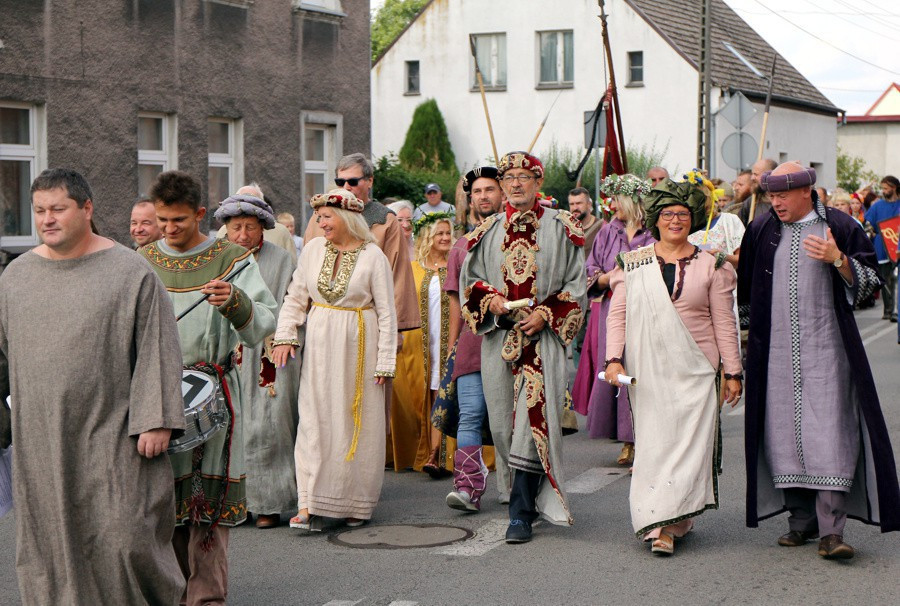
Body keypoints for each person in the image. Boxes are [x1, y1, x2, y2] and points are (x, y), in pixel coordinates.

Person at [0, 168, 185, 603]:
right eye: (40, 210)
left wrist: (156, 419)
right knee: (50, 544)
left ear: (86, 209)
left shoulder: (129, 271)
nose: (47, 219)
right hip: (41, 438)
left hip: (112, 432)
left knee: (124, 536)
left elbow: (159, 345)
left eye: (58, 209)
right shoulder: (16, 276)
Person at [738, 162, 900, 559]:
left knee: (830, 437)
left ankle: (832, 531)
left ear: (806, 193)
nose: (775, 203)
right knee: (783, 436)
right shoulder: (760, 230)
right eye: (771, 196)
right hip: (774, 355)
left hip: (827, 352)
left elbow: (869, 285)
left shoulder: (841, 227)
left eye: (782, 195)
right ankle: (801, 521)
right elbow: (746, 292)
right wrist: (740, 351)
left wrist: (838, 259)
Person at [141, 171, 277, 604]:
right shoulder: (142, 260)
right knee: (163, 510)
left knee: (207, 511)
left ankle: (206, 599)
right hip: (155, 396)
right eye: (162, 220)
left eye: (178, 220)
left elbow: (265, 321)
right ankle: (173, 594)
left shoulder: (231, 257)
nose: (168, 229)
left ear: (200, 214)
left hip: (212, 393)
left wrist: (236, 301)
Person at [605, 176, 743, 556]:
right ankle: (658, 520)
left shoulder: (712, 265)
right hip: (648, 370)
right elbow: (617, 315)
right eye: (668, 214)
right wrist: (613, 358)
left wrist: (733, 372)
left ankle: (671, 521)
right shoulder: (632, 264)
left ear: (693, 219)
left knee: (687, 448)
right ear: (656, 219)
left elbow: (724, 322)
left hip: (698, 370)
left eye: (683, 214)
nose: (676, 220)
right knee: (655, 445)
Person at [461, 151, 585, 543]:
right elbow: (471, 282)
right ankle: (519, 495)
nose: (515, 184)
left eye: (522, 177)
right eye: (508, 177)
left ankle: (520, 513)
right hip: (500, 340)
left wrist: (546, 314)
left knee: (533, 423)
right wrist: (492, 302)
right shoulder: (487, 231)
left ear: (537, 182)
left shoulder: (562, 228)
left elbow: (576, 285)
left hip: (542, 340)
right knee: (502, 421)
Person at [273, 189, 397, 530]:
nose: (320, 222)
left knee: (355, 422)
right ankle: (310, 502)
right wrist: (286, 334)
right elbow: (296, 298)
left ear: (348, 218)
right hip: (320, 345)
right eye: (319, 217)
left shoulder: (373, 256)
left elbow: (387, 313)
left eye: (327, 216)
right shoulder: (312, 251)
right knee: (314, 420)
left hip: (360, 346)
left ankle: (355, 502)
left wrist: (385, 360)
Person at [216, 194, 300, 529]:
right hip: (230, 353)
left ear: (262, 228)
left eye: (250, 227)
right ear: (225, 229)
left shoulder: (281, 260)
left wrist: (283, 338)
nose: (242, 234)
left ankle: (269, 503)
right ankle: (237, 504)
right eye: (236, 227)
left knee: (269, 425)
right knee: (232, 428)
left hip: (268, 352)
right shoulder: (218, 258)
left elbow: (290, 303)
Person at [572, 174, 654, 465]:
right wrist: (606, 278)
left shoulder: (653, 230)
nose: (611, 205)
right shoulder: (608, 231)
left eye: (616, 199)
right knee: (617, 370)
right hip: (612, 311)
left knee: (645, 373)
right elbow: (590, 267)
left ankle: (645, 439)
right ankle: (627, 441)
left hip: (647, 311)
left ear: (631, 201)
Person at [443, 166, 506, 511]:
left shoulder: (519, 240)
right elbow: (455, 303)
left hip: (512, 341)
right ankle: (467, 487)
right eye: (477, 191)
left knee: (511, 419)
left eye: (490, 190)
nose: (483, 196)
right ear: (470, 200)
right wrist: (452, 347)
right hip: (471, 344)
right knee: (470, 414)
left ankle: (518, 489)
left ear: (503, 194)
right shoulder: (460, 246)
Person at [304, 153, 419, 333]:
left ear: (369, 181)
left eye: (353, 181)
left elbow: (397, 277)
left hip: (365, 322)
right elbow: (306, 269)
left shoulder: (386, 221)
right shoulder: (320, 217)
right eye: (340, 182)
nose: (346, 187)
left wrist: (394, 330)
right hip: (322, 319)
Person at [390, 212, 456, 476]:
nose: (445, 238)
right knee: (422, 394)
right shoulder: (413, 269)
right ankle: (424, 450)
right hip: (420, 344)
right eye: (439, 233)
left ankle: (438, 455)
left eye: (448, 233)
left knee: (445, 391)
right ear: (428, 237)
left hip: (448, 342)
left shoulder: (457, 266)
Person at [216, 183, 298, 265]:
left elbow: (292, 265)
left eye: (250, 227)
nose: (243, 236)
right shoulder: (223, 232)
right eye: (237, 228)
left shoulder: (281, 233)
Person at [688, 172, 745, 269]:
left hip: (724, 282)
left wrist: (723, 257)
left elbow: (745, 260)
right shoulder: (682, 225)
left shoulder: (729, 221)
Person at [863, 175, 900, 321]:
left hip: (897, 246)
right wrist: (870, 232)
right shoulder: (877, 206)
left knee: (896, 279)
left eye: (886, 188)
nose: (883, 191)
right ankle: (888, 310)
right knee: (886, 279)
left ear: (894, 187)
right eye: (882, 188)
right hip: (882, 246)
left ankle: (897, 309)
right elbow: (868, 225)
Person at [739, 159, 777, 225]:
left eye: (756, 174)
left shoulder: (783, 201)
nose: (752, 178)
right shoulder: (751, 202)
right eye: (752, 174)